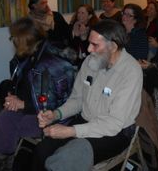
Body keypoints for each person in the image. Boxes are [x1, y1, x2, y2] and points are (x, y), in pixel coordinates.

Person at [32, 19, 143, 171]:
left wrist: (71, 131)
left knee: (68, 158)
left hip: (115, 133)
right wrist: (56, 114)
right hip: (85, 122)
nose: (89, 49)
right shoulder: (91, 61)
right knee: (42, 149)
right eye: (89, 43)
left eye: (95, 45)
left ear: (113, 46)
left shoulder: (131, 72)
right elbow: (78, 99)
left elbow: (113, 123)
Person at [0, 18, 76, 169]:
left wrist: (22, 104)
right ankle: (2, 163)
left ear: (24, 40)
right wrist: (13, 96)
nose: (12, 41)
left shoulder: (53, 63)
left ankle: (5, 162)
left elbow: (62, 103)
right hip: (34, 107)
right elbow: (24, 86)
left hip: (53, 117)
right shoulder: (28, 57)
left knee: (9, 124)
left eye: (14, 38)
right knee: (5, 116)